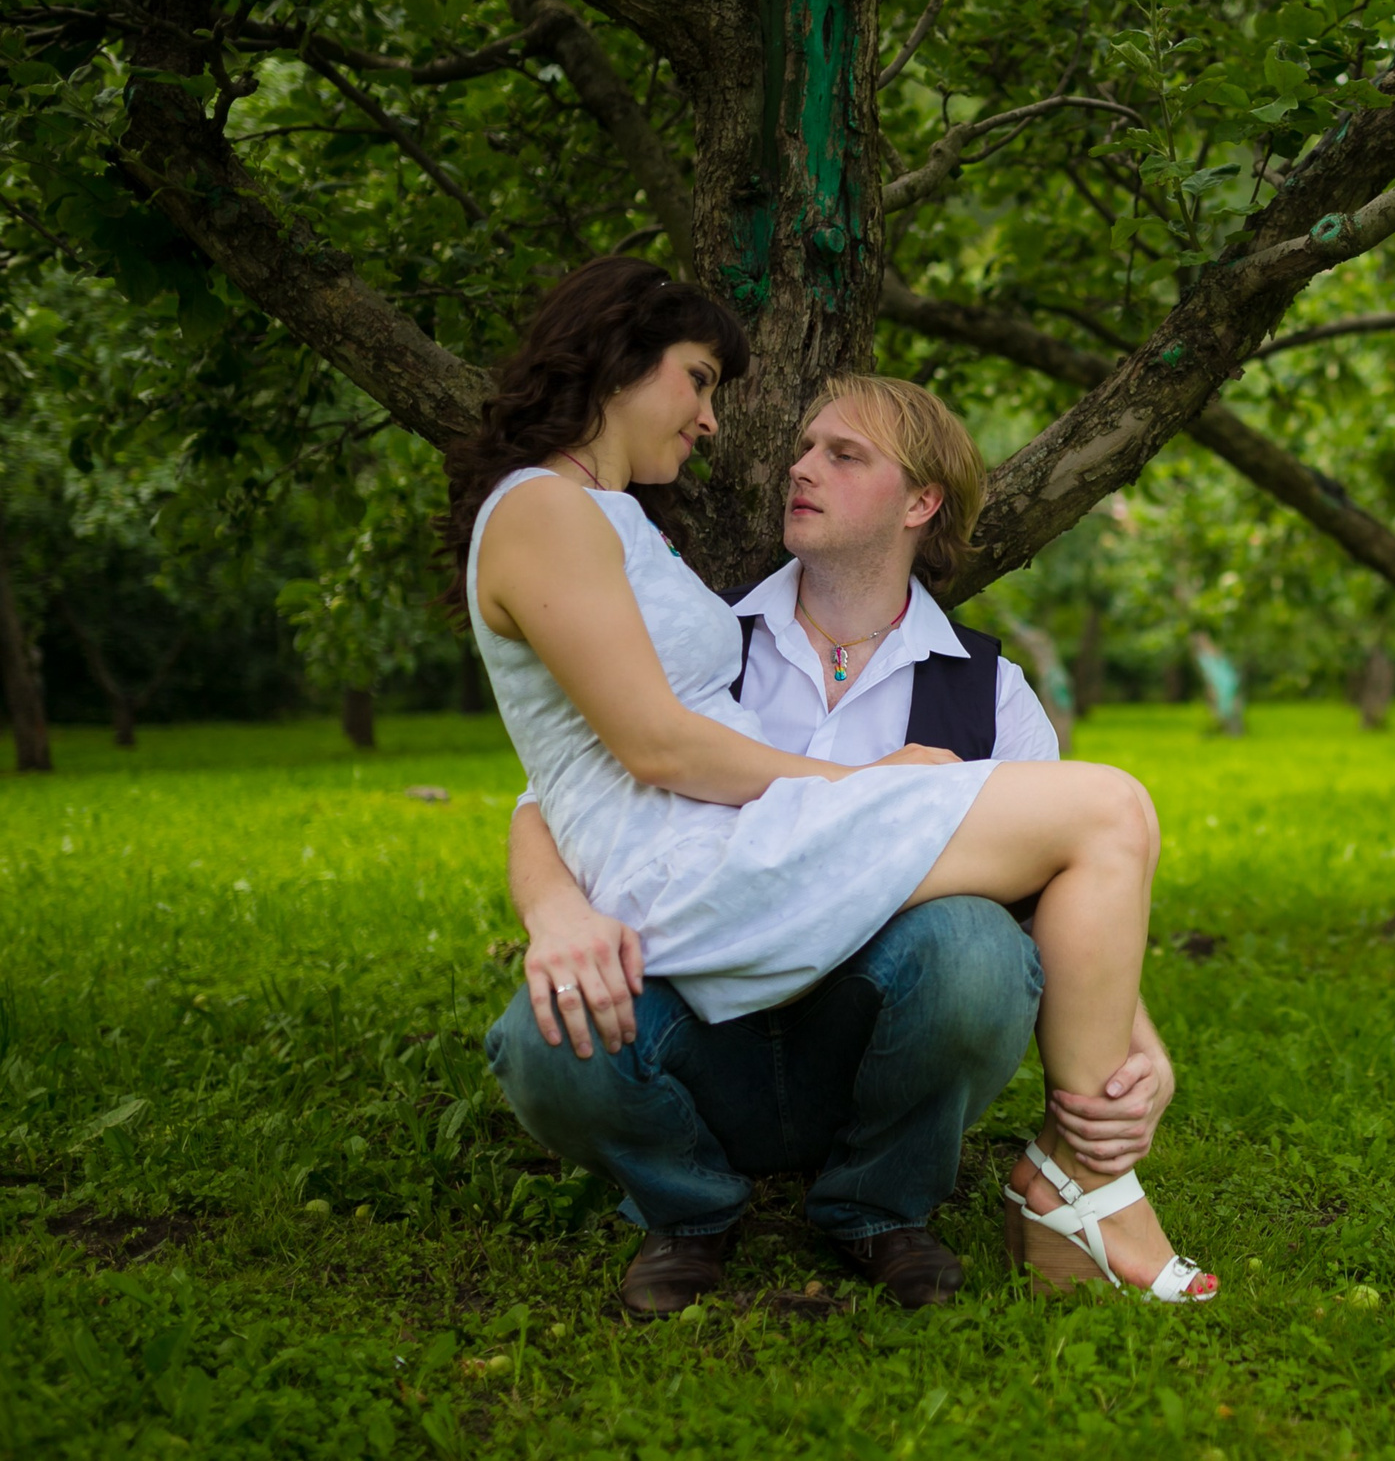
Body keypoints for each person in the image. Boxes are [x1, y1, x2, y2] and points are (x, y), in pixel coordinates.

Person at [453, 258, 1213, 1316]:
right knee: (1110, 804)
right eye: (704, 382)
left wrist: (1142, 1044)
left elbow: (1062, 894)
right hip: (699, 961)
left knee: (1022, 894)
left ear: (920, 502)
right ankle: (1053, 1187)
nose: (773, 452)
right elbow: (583, 776)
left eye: (841, 453)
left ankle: (899, 1200)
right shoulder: (705, 628)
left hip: (858, 1017)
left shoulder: (984, 689)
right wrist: (557, 906)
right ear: (625, 365)